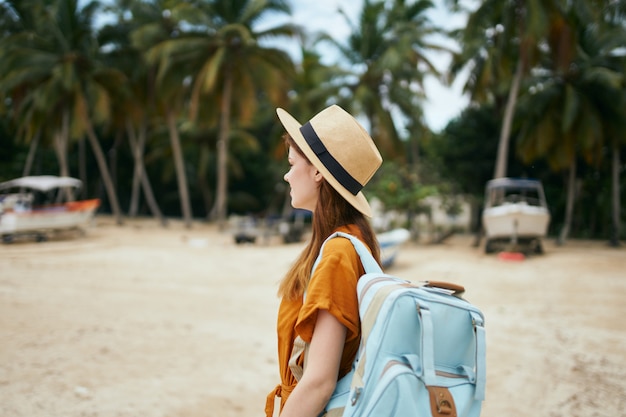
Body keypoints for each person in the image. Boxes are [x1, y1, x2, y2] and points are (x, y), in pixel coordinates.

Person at [265, 105, 383, 417]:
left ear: (318, 172)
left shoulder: (338, 254)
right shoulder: (350, 242)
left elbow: (319, 381)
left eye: (292, 164)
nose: (287, 174)